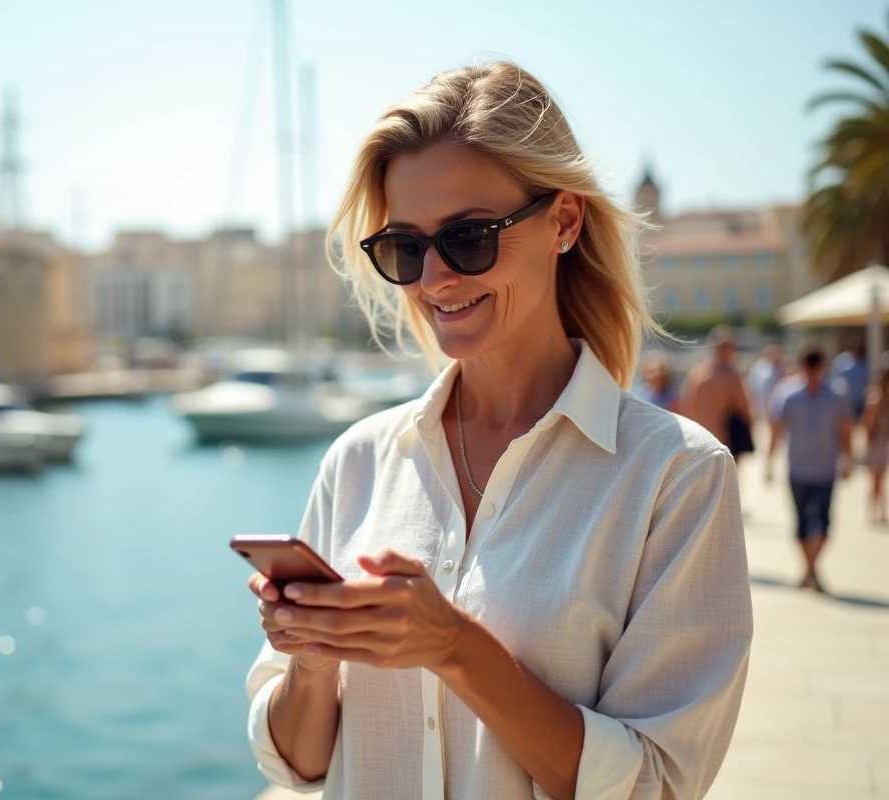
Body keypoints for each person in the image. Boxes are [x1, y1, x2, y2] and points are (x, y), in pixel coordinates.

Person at [245, 62, 752, 800]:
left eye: (470, 237)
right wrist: (313, 662)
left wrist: (453, 647)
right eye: (406, 249)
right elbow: (301, 764)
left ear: (565, 222)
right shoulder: (358, 461)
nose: (435, 281)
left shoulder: (677, 479)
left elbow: (658, 784)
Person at [766, 346, 853, 591]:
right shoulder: (788, 393)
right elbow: (776, 428)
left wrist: (847, 458)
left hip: (825, 468)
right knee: (801, 522)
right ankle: (810, 569)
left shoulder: (836, 394)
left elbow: (845, 429)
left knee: (824, 522)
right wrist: (770, 461)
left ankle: (810, 570)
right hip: (798, 468)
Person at [679, 326, 753, 457]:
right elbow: (744, 408)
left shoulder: (696, 374)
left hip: (700, 437)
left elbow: (686, 407)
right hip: (724, 439)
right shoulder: (731, 376)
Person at [861, 355, 889, 524]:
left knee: (880, 480)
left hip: (883, 442)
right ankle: (874, 510)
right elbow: (868, 424)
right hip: (877, 442)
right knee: (876, 480)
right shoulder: (874, 398)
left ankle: (879, 510)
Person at [746, 344, 784, 423]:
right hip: (761, 406)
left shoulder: (780, 367)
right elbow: (751, 387)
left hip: (776, 405)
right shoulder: (758, 368)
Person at [832, 341, 868, 421]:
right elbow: (836, 380)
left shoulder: (865, 363)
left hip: (861, 401)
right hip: (847, 401)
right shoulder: (841, 361)